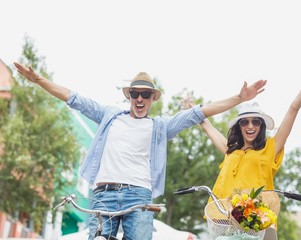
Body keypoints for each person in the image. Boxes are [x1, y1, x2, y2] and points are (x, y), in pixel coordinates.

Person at [13, 62, 267, 240]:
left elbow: (199, 112)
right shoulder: (109, 116)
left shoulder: (160, 126)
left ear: (153, 98)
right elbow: (74, 98)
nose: (140, 99)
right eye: (135, 93)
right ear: (129, 96)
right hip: (104, 194)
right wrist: (38, 80)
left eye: (146, 94)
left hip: (139, 198)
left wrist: (238, 99)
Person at [182, 48, 301, 231]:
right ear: (239, 127)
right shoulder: (231, 150)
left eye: (255, 122)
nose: (250, 126)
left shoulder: (271, 147)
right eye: (245, 122)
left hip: (257, 223)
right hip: (225, 221)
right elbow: (207, 126)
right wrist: (193, 110)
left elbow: (293, 108)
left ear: (261, 125)